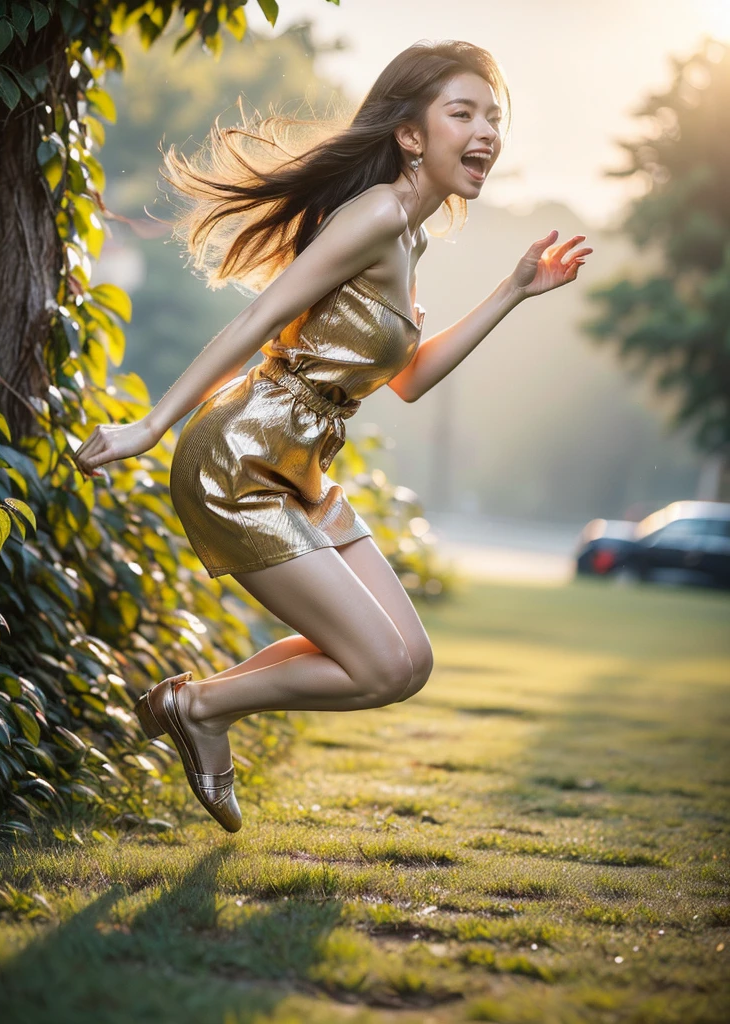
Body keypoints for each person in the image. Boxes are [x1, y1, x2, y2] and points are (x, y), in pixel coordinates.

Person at [72, 40, 593, 833]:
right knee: (378, 665)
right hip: (240, 461)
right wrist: (151, 425)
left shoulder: (409, 235)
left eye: (494, 117)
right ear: (412, 134)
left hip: (300, 464)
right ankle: (197, 708)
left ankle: (199, 708)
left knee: (407, 665)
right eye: (464, 113)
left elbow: (409, 377)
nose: (486, 131)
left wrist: (515, 291)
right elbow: (260, 316)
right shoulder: (380, 212)